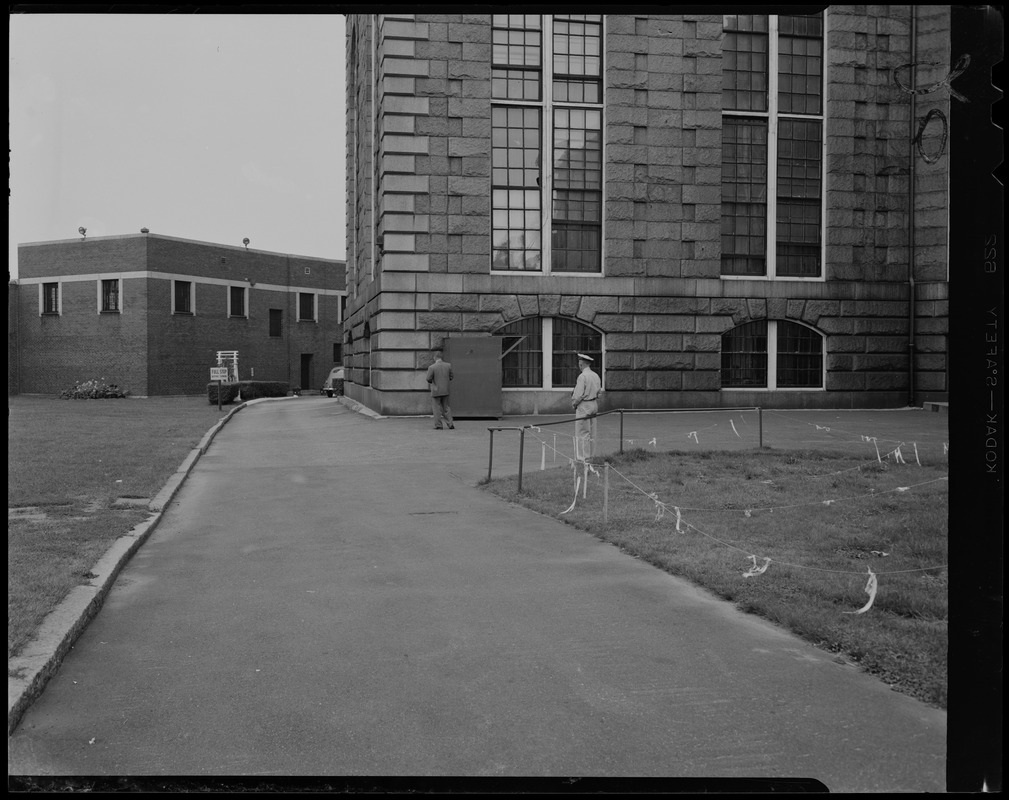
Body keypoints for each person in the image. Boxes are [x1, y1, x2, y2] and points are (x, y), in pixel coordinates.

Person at [571, 353, 601, 460]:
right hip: (594, 403)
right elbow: (599, 392)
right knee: (592, 432)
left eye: (579, 364)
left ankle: (583, 457)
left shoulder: (582, 376)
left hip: (584, 405)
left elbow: (578, 395)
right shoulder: (596, 375)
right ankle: (591, 455)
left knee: (582, 432)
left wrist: (574, 404)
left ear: (581, 364)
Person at [426, 350, 455, 430]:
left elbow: (428, 379)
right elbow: (451, 376)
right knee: (446, 408)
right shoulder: (448, 365)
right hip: (445, 390)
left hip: (436, 391)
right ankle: (450, 424)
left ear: (435, 357)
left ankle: (439, 425)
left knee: (436, 409)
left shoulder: (432, 367)